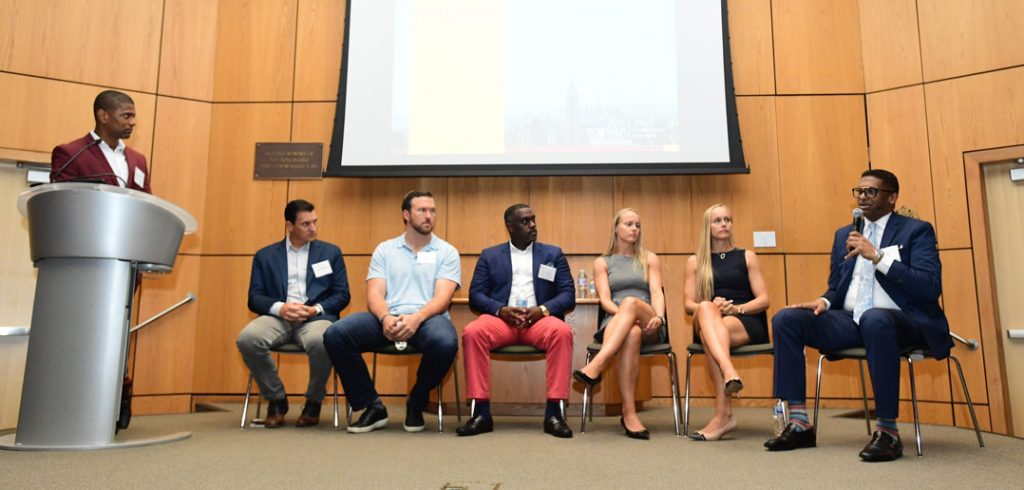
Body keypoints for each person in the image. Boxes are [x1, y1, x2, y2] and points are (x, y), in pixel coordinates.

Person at [765, 169, 952, 462]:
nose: (863, 196)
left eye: (871, 191)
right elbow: (837, 285)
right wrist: (824, 301)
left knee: (875, 318)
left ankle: (888, 431)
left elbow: (929, 287)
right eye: (859, 191)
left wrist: (877, 257)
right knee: (786, 319)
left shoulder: (916, 231)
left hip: (904, 320)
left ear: (891, 198)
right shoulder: (845, 234)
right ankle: (799, 422)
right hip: (854, 319)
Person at [324, 191, 460, 433]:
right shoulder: (385, 250)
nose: (429, 216)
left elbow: (442, 298)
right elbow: (374, 294)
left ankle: (416, 402)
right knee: (336, 334)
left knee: (445, 342)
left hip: (428, 319)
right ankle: (371, 406)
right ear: (406, 215)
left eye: (433, 210)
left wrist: (416, 318)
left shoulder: (446, 251)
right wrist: (385, 317)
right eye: (422, 210)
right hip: (388, 317)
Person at [456, 204, 576, 438]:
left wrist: (542, 309)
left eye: (533, 220)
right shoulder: (490, 256)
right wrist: (500, 310)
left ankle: (554, 414)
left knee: (562, 332)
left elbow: (567, 294)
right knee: (473, 332)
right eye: (525, 221)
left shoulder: (552, 254)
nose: (532, 225)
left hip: (538, 321)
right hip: (502, 321)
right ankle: (481, 413)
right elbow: (476, 295)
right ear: (510, 227)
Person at [236, 199, 350, 428]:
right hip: (278, 317)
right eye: (306, 224)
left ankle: (313, 401)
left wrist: (315, 309)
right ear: (289, 225)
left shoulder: (330, 252)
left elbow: (342, 295)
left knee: (323, 341)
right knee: (247, 339)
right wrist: (281, 308)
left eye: (315, 222)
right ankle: (276, 399)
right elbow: (254, 298)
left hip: (315, 317)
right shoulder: (265, 256)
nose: (313, 229)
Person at [572, 208, 666, 440]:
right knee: (631, 333)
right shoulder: (602, 262)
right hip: (616, 321)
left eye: (637, 225)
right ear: (616, 228)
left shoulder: (649, 258)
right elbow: (604, 300)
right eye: (629, 224)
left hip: (648, 318)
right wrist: (624, 313)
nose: (634, 229)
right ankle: (629, 413)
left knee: (632, 302)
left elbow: (656, 291)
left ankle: (598, 364)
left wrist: (660, 317)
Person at [683, 204, 770, 441]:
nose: (724, 224)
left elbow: (763, 300)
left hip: (743, 320)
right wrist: (711, 306)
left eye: (727, 220)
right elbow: (689, 304)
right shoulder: (695, 261)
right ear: (707, 227)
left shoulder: (747, 256)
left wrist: (735, 308)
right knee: (704, 307)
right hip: (709, 318)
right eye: (717, 220)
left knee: (710, 337)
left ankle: (723, 415)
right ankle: (728, 369)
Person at [50, 90, 151, 192]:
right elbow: (61, 200)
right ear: (103, 116)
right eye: (126, 116)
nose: (133, 122)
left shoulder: (139, 160)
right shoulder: (71, 154)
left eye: (133, 117)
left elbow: (147, 202)